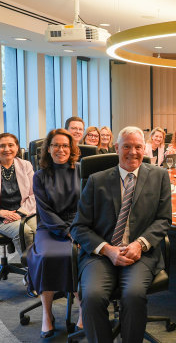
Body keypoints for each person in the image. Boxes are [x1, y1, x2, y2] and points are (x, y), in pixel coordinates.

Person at [70, 126, 172, 343]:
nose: (133, 152)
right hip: (100, 255)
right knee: (92, 297)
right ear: (117, 148)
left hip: (140, 254)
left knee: (134, 296)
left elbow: (163, 220)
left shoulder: (160, 176)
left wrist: (140, 244)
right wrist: (107, 250)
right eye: (127, 146)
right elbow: (79, 226)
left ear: (145, 149)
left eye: (138, 147)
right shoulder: (97, 180)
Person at [27, 129, 82, 338]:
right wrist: (65, 231)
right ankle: (47, 313)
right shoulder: (39, 176)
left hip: (78, 224)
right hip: (50, 227)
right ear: (48, 149)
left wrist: (76, 229)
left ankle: (83, 309)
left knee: (77, 256)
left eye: (65, 146)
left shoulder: (81, 170)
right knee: (47, 257)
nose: (61, 149)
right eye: (56, 145)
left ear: (72, 149)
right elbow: (44, 211)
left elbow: (86, 205)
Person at [0, 132, 36, 254]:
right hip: (2, 217)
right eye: (2, 146)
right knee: (24, 232)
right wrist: (2, 213)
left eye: (11, 145)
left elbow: (34, 194)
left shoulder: (25, 165)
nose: (7, 149)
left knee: (39, 231)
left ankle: (41, 267)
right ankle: (31, 269)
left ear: (17, 147)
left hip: (25, 211)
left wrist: (20, 213)